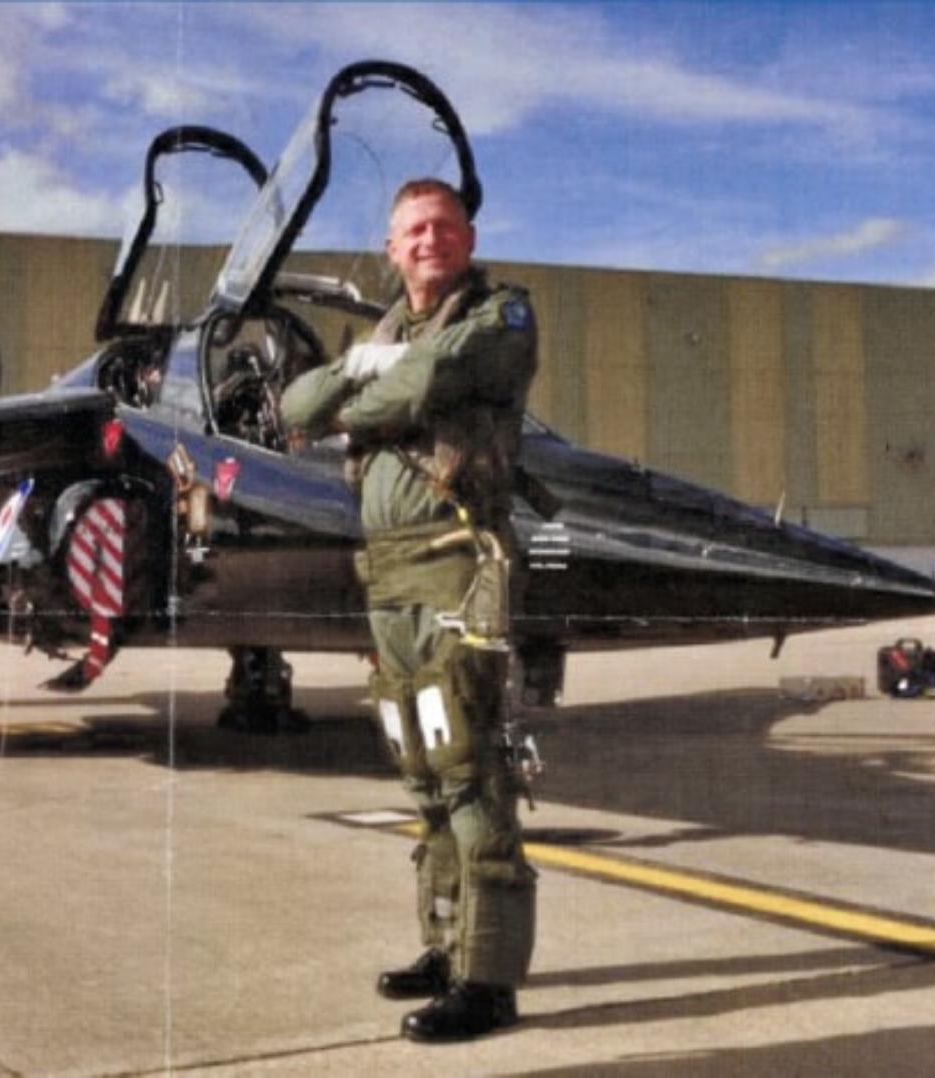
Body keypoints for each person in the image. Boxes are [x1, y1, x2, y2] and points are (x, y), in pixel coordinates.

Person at [280, 177, 539, 1043]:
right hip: (388, 580)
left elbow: (438, 374)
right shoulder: (385, 333)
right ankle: (445, 943)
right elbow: (294, 408)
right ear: (391, 250)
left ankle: (489, 981)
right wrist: (364, 366)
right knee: (422, 771)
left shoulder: (502, 317)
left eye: (443, 226)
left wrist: (366, 395)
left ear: (467, 238)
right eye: (412, 231)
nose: (428, 240)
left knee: (470, 769)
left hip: (459, 569)